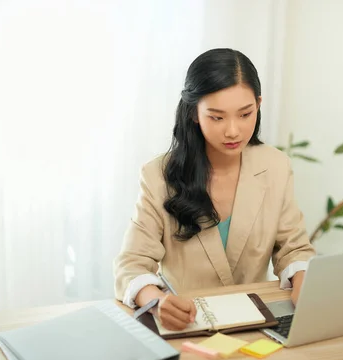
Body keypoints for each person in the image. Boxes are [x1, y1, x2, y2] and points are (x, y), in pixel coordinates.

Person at [113, 48, 316, 332]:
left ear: (258, 104)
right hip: (189, 325)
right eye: (217, 117)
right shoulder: (158, 176)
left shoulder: (275, 167)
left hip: (257, 324)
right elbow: (132, 264)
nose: (233, 131)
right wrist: (158, 302)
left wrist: (305, 286)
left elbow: (294, 249)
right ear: (194, 113)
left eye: (245, 114)